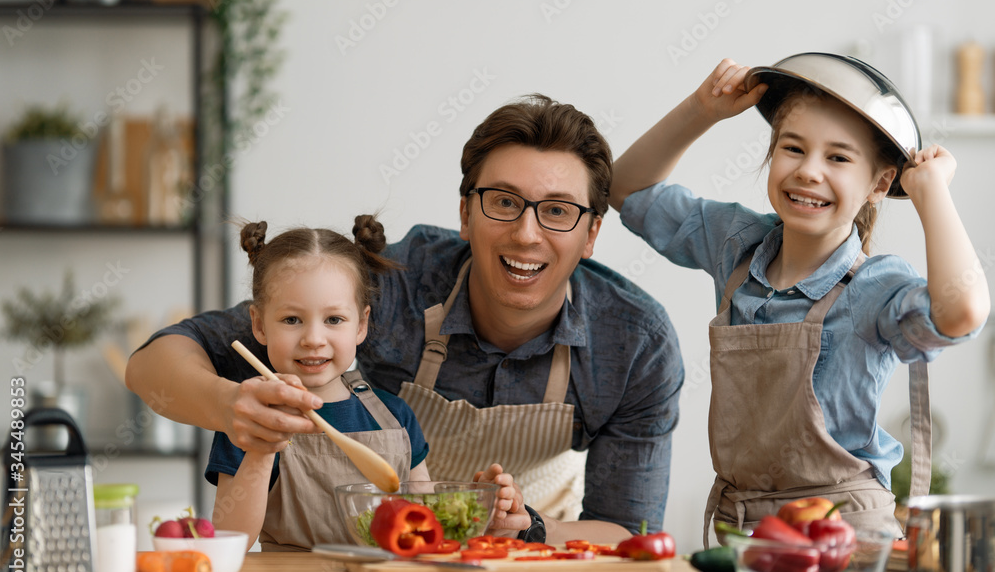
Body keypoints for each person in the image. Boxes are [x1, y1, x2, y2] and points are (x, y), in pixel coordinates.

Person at [127, 94, 685, 544]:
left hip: (531, 561)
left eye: (558, 211)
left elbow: (629, 535)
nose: (527, 234)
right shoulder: (388, 284)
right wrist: (227, 407)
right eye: (504, 202)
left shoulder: (636, 342)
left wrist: (532, 527)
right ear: (465, 213)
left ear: (591, 235)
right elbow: (151, 366)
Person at [609, 55, 990, 544]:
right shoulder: (736, 244)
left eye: (838, 157)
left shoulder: (874, 286)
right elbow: (626, 189)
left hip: (846, 535)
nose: (809, 171)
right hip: (745, 533)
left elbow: (962, 311)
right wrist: (701, 110)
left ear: (879, 184)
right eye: (793, 148)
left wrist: (932, 191)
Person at [210, 215, 518, 551]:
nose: (314, 338)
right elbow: (232, 539)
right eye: (292, 319)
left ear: (361, 325)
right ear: (260, 325)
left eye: (334, 319)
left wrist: (483, 513)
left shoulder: (396, 417)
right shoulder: (248, 419)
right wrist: (262, 447)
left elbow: (432, 530)